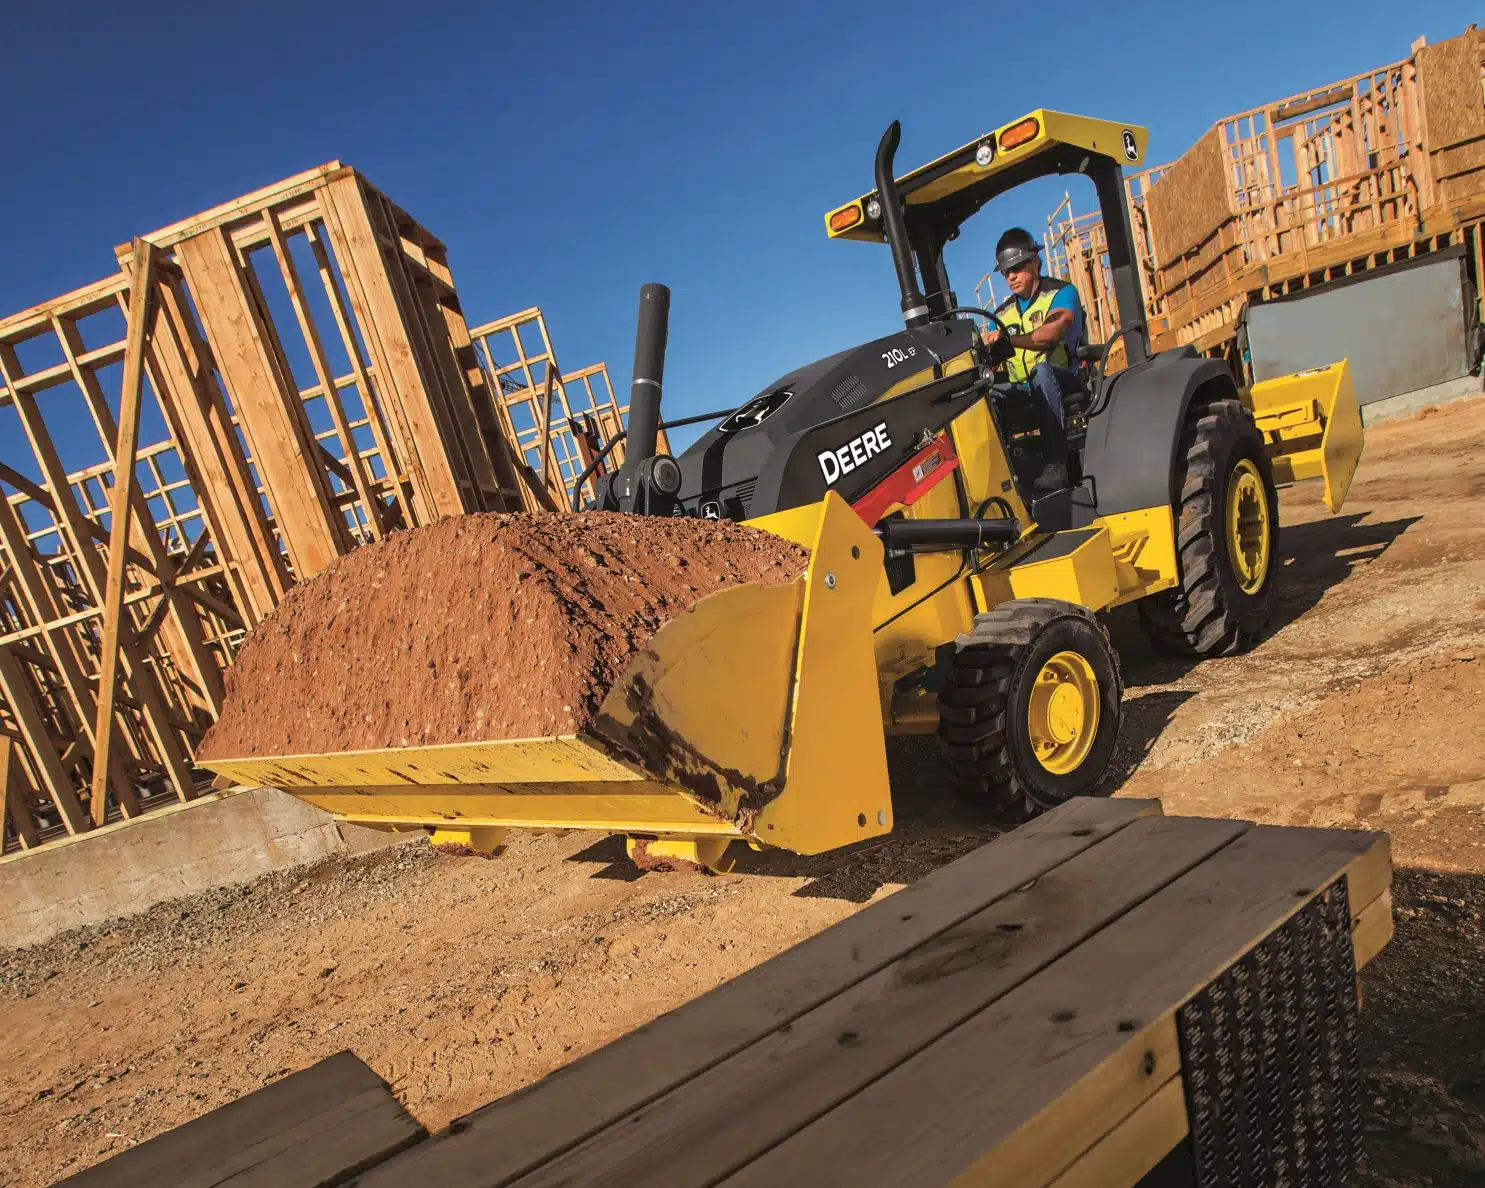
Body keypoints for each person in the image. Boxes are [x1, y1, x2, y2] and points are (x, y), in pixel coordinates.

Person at [983, 227, 1085, 493]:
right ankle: (1001, 477)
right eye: (1006, 272)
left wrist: (1008, 341)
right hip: (1023, 388)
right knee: (985, 394)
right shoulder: (1002, 313)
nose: (1011, 276)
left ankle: (1056, 465)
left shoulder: (1062, 293)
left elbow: (1048, 336)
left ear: (1035, 261)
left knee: (1042, 371)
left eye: (1017, 267)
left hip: (1065, 378)